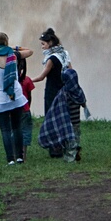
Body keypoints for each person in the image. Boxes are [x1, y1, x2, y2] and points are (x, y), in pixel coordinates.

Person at [0, 32, 33, 165]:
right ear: (6, 42)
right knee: (17, 127)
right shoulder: (13, 55)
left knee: (5, 129)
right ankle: (20, 157)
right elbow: (30, 51)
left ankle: (10, 159)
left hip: (0, 97)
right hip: (15, 95)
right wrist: (15, 48)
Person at [31, 27, 72, 157]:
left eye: (43, 44)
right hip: (64, 90)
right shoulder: (64, 54)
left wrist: (26, 81)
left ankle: (55, 149)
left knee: (51, 118)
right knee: (63, 118)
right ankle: (67, 146)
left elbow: (42, 77)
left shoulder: (51, 59)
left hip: (52, 91)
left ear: (49, 43)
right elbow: (71, 71)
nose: (42, 47)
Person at [38, 68, 89, 162]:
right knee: (75, 138)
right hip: (76, 121)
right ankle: (75, 152)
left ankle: (70, 158)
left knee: (69, 140)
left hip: (67, 122)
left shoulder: (64, 92)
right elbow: (83, 102)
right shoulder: (78, 91)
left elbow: (58, 106)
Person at [16, 52, 35, 162]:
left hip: (13, 110)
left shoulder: (11, 80)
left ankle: (14, 154)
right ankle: (24, 155)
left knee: (14, 130)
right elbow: (30, 97)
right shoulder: (27, 80)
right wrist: (28, 107)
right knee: (26, 131)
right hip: (25, 109)